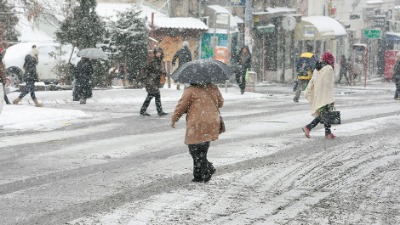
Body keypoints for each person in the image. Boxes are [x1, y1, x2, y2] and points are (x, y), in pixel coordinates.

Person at [170, 83, 224, 182]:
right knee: (203, 149)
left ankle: (208, 168)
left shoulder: (190, 90)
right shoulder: (213, 87)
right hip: (211, 121)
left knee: (194, 149)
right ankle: (198, 175)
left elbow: (181, 106)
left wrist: (174, 119)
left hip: (197, 122)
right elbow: (220, 103)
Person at [302, 52, 336, 139]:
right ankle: (308, 127)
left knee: (325, 115)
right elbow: (329, 84)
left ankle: (328, 133)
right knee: (324, 115)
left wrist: (308, 91)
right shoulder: (329, 68)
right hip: (326, 96)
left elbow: (312, 82)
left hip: (319, 96)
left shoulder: (317, 69)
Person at [139, 47, 168, 116]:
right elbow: (144, 68)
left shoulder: (159, 61)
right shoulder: (152, 61)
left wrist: (164, 73)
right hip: (150, 81)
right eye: (157, 52)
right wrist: (145, 77)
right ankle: (159, 111)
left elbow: (160, 70)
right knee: (157, 94)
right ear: (155, 53)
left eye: (160, 52)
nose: (159, 54)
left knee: (150, 95)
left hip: (154, 81)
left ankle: (143, 110)